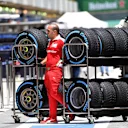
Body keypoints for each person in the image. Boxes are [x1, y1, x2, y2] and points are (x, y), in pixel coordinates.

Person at [40, 23, 74, 124]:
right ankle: (52, 117)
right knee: (50, 94)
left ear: (55, 32)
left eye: (48, 31)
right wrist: (43, 62)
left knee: (54, 92)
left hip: (55, 71)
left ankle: (70, 109)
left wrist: (62, 61)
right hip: (48, 71)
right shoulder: (50, 42)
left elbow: (68, 54)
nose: (47, 33)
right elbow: (49, 55)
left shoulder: (61, 42)